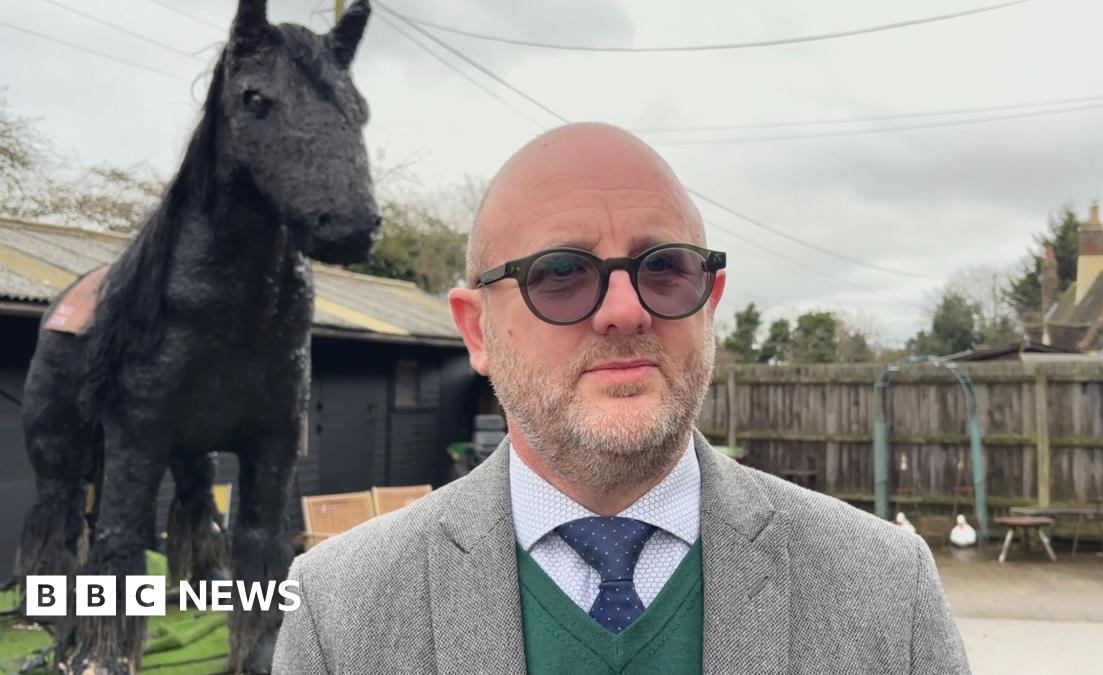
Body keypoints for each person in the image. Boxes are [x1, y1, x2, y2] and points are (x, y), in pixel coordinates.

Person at [273, 123, 971, 674]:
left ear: (710, 302)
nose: (623, 310)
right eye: (561, 272)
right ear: (476, 328)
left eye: (664, 267)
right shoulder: (338, 610)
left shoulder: (886, 589)